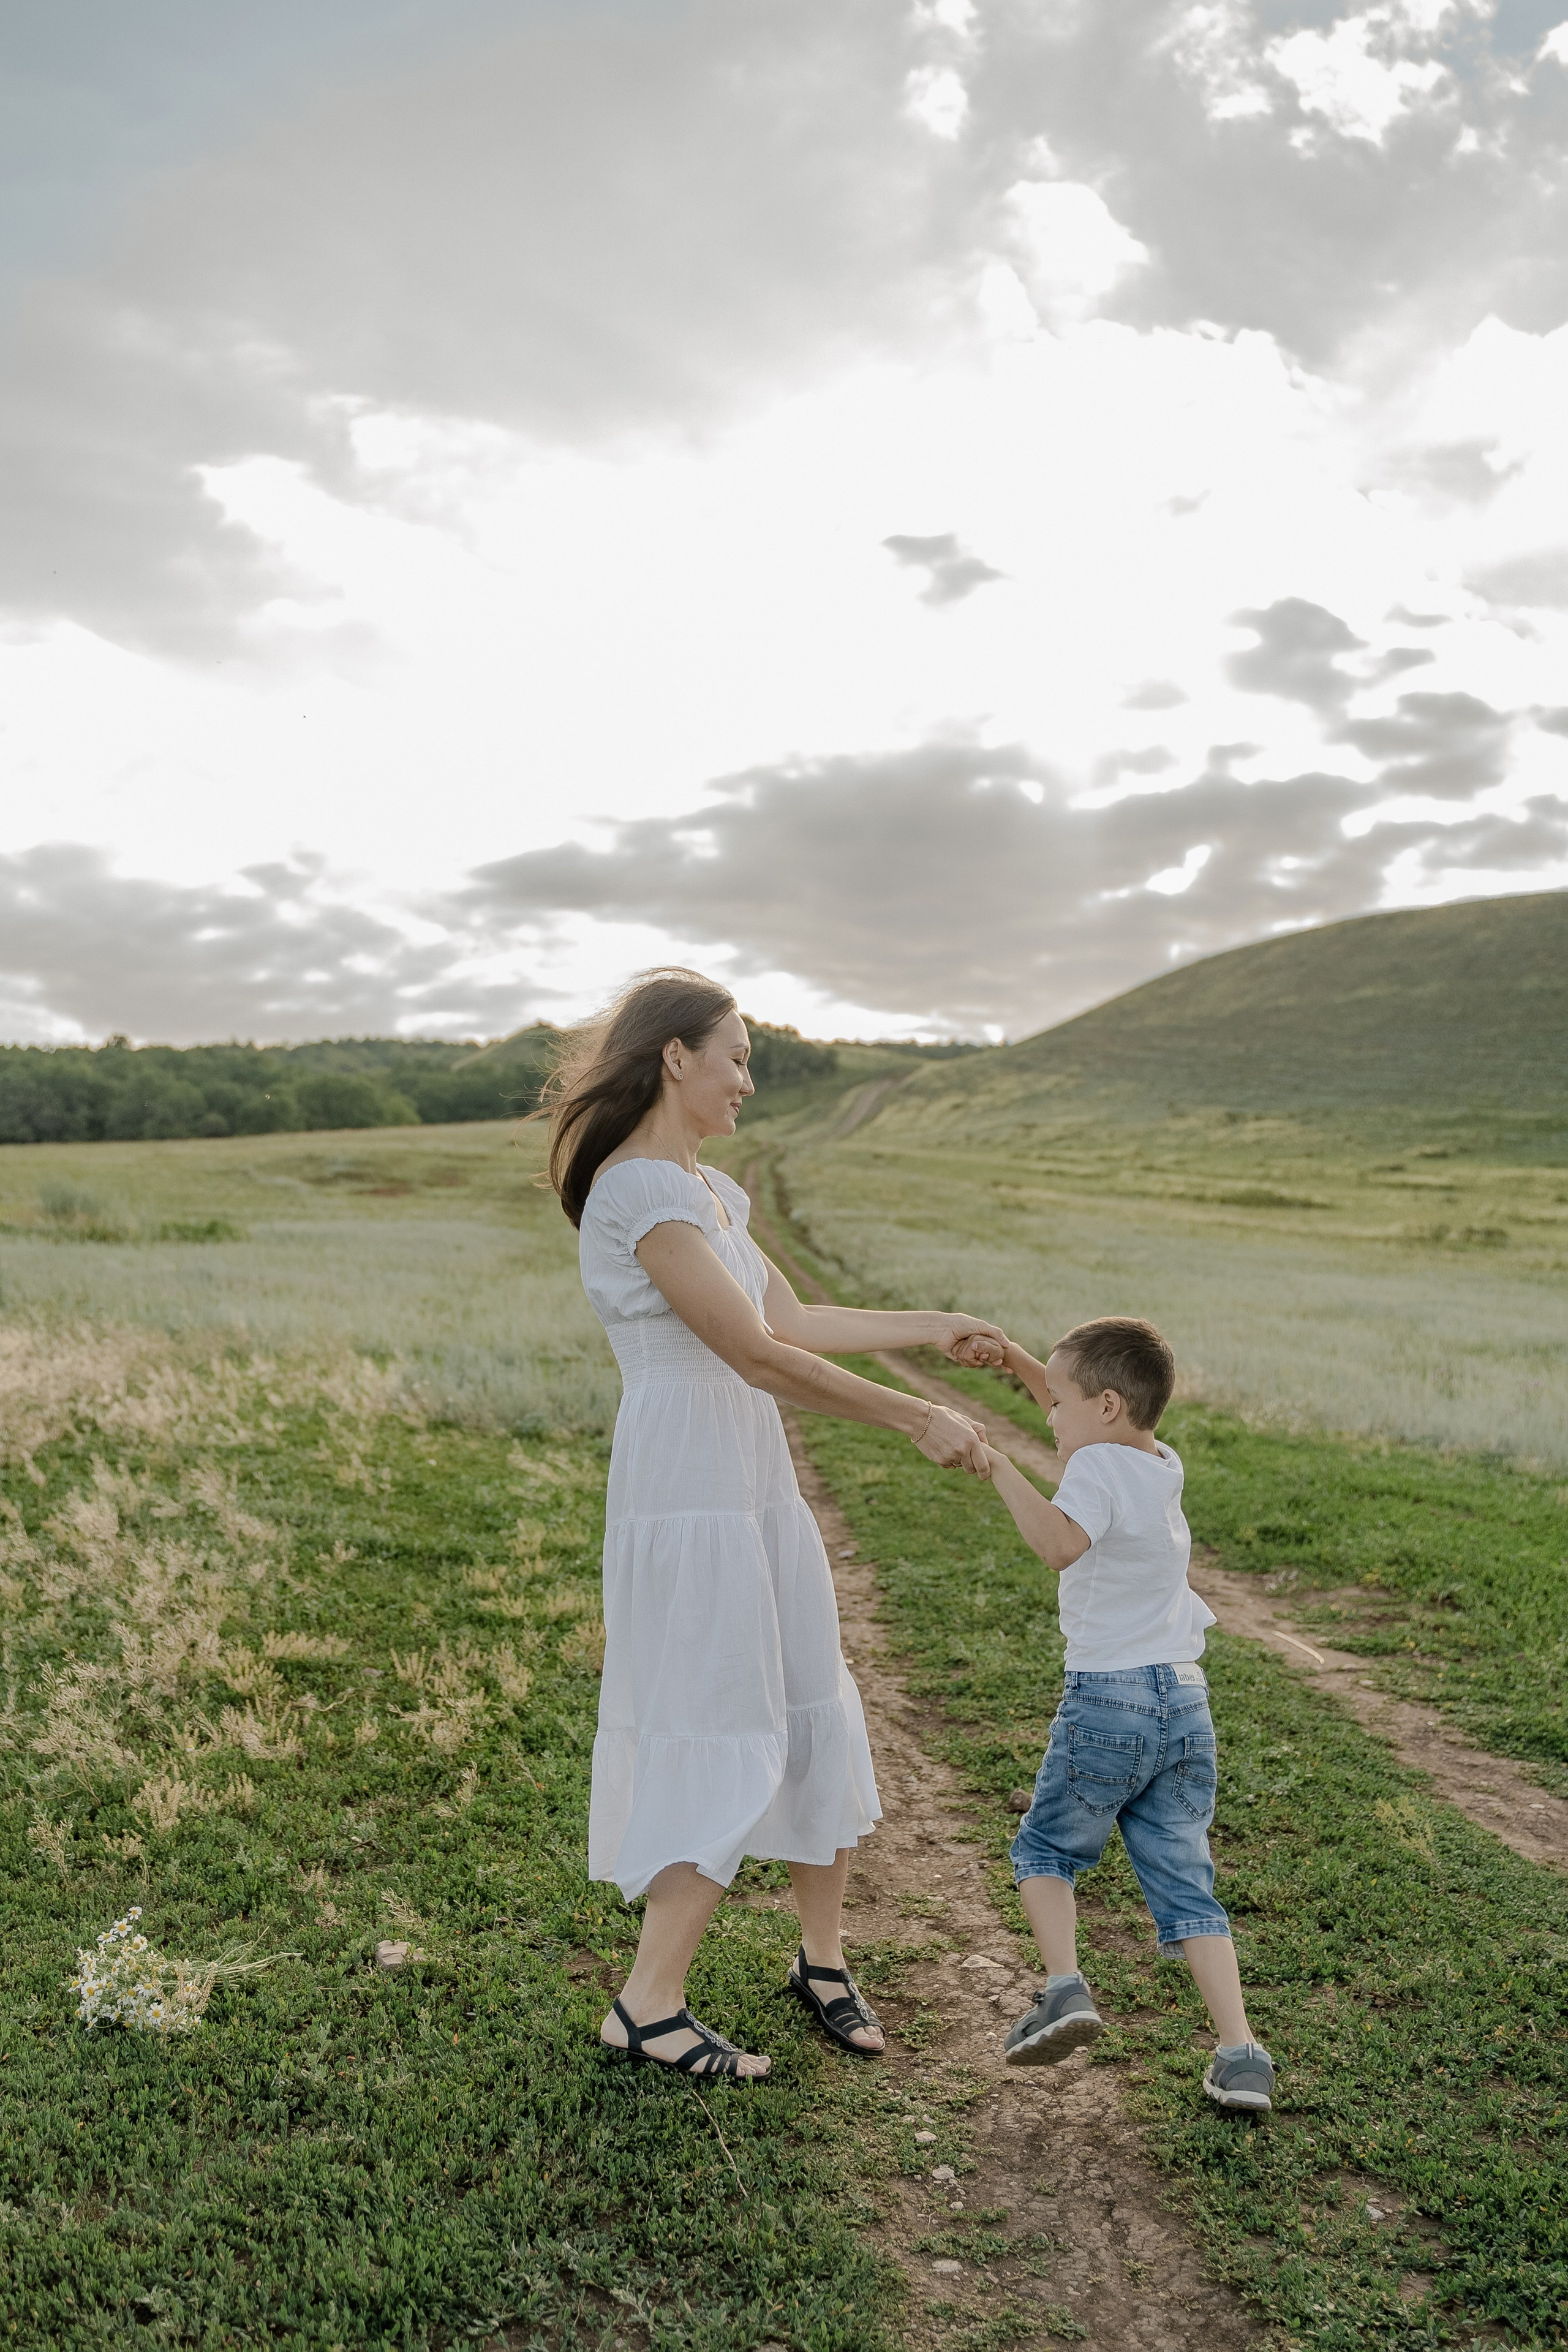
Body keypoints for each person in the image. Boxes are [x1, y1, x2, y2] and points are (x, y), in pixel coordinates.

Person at [541, 968, 1006, 2080]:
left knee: (808, 1694)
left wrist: (934, 1327)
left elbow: (788, 1318)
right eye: (738, 1058)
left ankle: (822, 1958)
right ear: (676, 1057)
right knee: (719, 1709)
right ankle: (647, 2004)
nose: (749, 1081)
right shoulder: (636, 1191)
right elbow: (752, 1354)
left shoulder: (712, 1191)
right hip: (689, 1486)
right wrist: (914, 1417)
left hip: (751, 1478)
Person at [965, 1314, 1275, 2113]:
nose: (1048, 1416)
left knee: (1045, 1849)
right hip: (1185, 1701)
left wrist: (998, 1466)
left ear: (1105, 1406)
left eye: (1056, 1403)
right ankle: (1241, 2054)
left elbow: (1060, 1546)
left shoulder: (1095, 1465)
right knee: (1187, 1883)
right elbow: (1079, 1408)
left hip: (1111, 1698)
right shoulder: (1158, 1462)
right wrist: (1017, 1360)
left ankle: (1064, 1988)